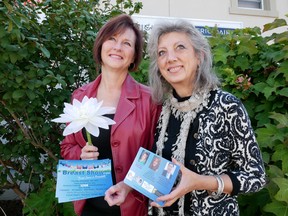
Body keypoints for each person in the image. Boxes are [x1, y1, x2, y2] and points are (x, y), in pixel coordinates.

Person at [147, 19, 266, 215]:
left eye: (180, 48)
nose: (170, 58)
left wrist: (200, 182)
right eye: (162, 52)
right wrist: (128, 187)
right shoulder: (162, 110)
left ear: (199, 56)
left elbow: (256, 177)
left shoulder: (227, 106)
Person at [60, 14, 160, 216]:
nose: (117, 47)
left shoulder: (150, 100)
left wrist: (129, 185)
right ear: (101, 46)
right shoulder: (80, 96)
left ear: (133, 55)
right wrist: (80, 155)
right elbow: (67, 146)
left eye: (126, 43)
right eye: (112, 39)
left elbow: (158, 157)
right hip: (88, 206)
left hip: (132, 206)